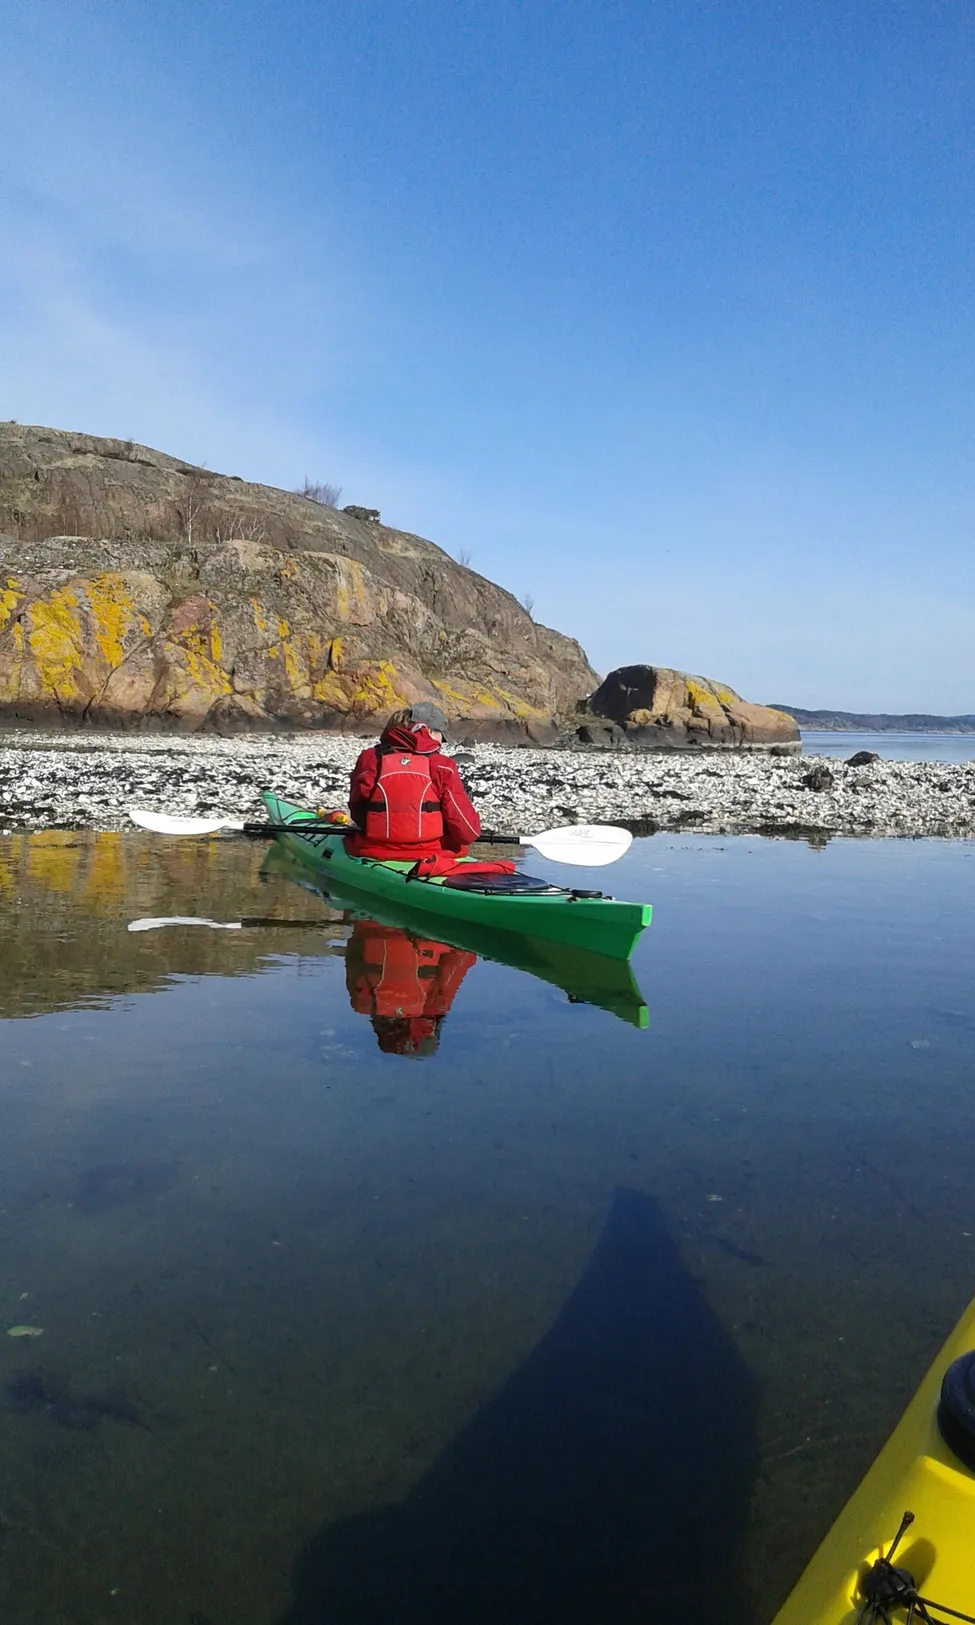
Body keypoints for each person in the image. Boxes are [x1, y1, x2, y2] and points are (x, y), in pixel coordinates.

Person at [345, 703, 482, 862]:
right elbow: (468, 832)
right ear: (428, 731)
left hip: (373, 849)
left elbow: (358, 810)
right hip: (429, 853)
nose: (441, 745)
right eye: (441, 737)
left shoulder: (369, 758)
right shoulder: (442, 765)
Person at [344, 917, 477, 1057]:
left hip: (421, 927)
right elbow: (353, 951)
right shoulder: (362, 1004)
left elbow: (465, 952)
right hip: (373, 921)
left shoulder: (435, 1006)